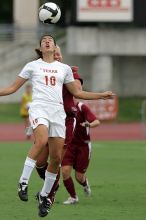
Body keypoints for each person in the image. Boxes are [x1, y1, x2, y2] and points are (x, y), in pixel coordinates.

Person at [0, 34, 114, 217]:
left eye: (51, 40)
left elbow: (78, 92)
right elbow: (12, 88)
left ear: (54, 48)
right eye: (44, 40)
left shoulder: (64, 69)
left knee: (55, 159)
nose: (47, 41)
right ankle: (23, 182)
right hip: (39, 109)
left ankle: (45, 196)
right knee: (40, 141)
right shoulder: (32, 66)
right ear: (40, 47)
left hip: (58, 114)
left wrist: (101, 95)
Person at [35, 45, 83, 204]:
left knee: (56, 158)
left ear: (61, 56)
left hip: (66, 120)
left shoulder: (69, 71)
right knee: (40, 162)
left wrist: (63, 76)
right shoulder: (41, 70)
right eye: (53, 54)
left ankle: (48, 194)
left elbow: (78, 89)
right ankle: (51, 185)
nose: (56, 56)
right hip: (47, 118)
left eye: (58, 54)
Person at [62, 100, 100, 204]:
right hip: (68, 145)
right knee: (65, 171)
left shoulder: (82, 107)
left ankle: (85, 184)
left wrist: (88, 124)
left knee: (79, 177)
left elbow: (97, 122)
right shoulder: (62, 106)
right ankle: (73, 197)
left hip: (83, 146)